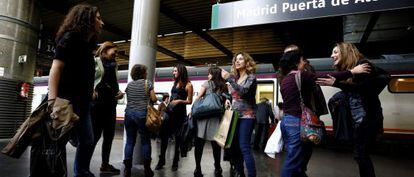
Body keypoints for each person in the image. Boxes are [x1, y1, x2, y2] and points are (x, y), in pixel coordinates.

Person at [278, 49, 369, 177]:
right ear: (297, 62)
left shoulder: (286, 79)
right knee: (292, 161)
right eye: (303, 60)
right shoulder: (300, 75)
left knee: (296, 159)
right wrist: (352, 72)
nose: (305, 63)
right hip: (296, 122)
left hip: (287, 121)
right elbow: (325, 76)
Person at [48, 4, 104, 177]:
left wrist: (91, 90)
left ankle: (81, 171)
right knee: (58, 143)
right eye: (98, 18)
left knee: (88, 140)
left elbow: (84, 73)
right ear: (86, 19)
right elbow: (55, 69)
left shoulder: (88, 45)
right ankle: (58, 173)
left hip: (83, 102)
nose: (101, 23)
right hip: (66, 101)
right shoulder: (69, 38)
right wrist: (52, 100)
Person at [316, 42, 387, 177]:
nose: (332, 55)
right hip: (360, 119)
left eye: (335, 52)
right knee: (360, 155)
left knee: (361, 155)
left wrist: (337, 84)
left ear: (346, 51)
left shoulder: (364, 65)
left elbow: (365, 90)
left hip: (368, 118)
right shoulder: (353, 68)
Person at [221, 51, 257, 177]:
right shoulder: (236, 78)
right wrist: (227, 99)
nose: (237, 61)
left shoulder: (251, 77)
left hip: (247, 116)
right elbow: (232, 95)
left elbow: (244, 92)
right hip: (234, 116)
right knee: (234, 147)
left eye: (240, 59)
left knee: (244, 146)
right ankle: (240, 173)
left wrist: (229, 79)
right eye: (236, 59)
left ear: (247, 62)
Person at [90, 41, 123, 174]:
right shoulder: (95, 62)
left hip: (110, 104)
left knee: (109, 136)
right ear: (104, 51)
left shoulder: (114, 65)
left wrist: (118, 92)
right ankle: (83, 166)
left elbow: (112, 82)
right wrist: (90, 89)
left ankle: (105, 164)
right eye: (113, 52)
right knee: (94, 136)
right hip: (98, 105)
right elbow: (87, 78)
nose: (116, 54)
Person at [155, 64, 193, 171]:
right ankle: (161, 160)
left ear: (181, 71)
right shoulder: (175, 83)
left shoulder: (188, 85)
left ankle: (175, 162)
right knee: (164, 137)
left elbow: (190, 101)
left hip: (180, 115)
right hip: (169, 113)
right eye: (173, 71)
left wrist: (179, 101)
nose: (173, 73)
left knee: (178, 139)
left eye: (175, 71)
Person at [193, 66, 228, 177]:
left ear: (213, 74)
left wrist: (193, 110)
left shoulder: (207, 83)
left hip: (203, 118)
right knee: (215, 146)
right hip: (216, 118)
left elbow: (198, 97)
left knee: (199, 144)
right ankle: (218, 167)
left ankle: (197, 168)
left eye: (209, 74)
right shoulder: (223, 86)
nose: (208, 76)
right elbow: (225, 100)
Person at [124, 64, 157, 177]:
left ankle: (127, 169)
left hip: (128, 114)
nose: (147, 74)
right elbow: (154, 99)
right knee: (145, 141)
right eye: (145, 72)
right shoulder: (147, 83)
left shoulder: (129, 85)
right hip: (142, 115)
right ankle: (147, 169)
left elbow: (129, 99)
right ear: (142, 73)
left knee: (129, 142)